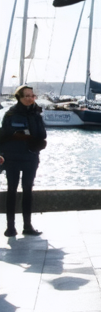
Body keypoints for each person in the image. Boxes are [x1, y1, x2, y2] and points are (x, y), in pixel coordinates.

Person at [1, 85, 46, 237]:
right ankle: (10, 227)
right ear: (19, 98)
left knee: (28, 190)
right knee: (12, 190)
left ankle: (27, 226)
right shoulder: (10, 114)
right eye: (26, 95)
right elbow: (3, 135)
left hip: (30, 157)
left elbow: (42, 134)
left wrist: (38, 143)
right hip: (12, 157)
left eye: (32, 96)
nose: (30, 98)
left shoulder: (36, 114)